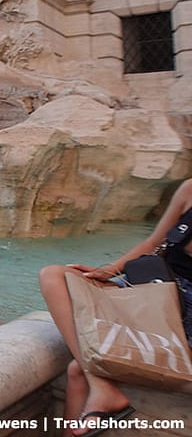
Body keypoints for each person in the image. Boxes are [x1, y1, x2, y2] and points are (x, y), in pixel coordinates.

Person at [39, 179, 192, 437]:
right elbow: (153, 244)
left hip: (181, 323)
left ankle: (99, 387)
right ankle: (100, 386)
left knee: (77, 370)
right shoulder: (189, 189)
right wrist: (108, 270)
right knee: (54, 276)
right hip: (152, 295)